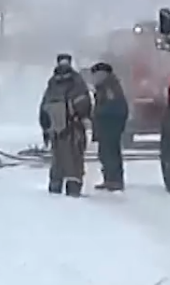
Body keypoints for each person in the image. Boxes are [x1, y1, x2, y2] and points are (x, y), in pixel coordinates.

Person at [38, 52, 92, 196]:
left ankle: (73, 188)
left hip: (73, 128)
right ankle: (55, 186)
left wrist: (79, 115)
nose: (63, 65)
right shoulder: (52, 83)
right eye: (61, 62)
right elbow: (45, 105)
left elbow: (84, 102)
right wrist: (45, 125)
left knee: (74, 160)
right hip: (56, 130)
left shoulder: (77, 82)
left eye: (65, 62)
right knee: (57, 160)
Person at [89, 61, 130, 191]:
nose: (94, 78)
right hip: (106, 124)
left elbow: (114, 106)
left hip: (110, 124)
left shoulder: (109, 87)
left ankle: (115, 180)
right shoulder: (104, 86)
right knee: (105, 153)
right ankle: (109, 179)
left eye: (96, 75)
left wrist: (99, 114)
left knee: (110, 152)